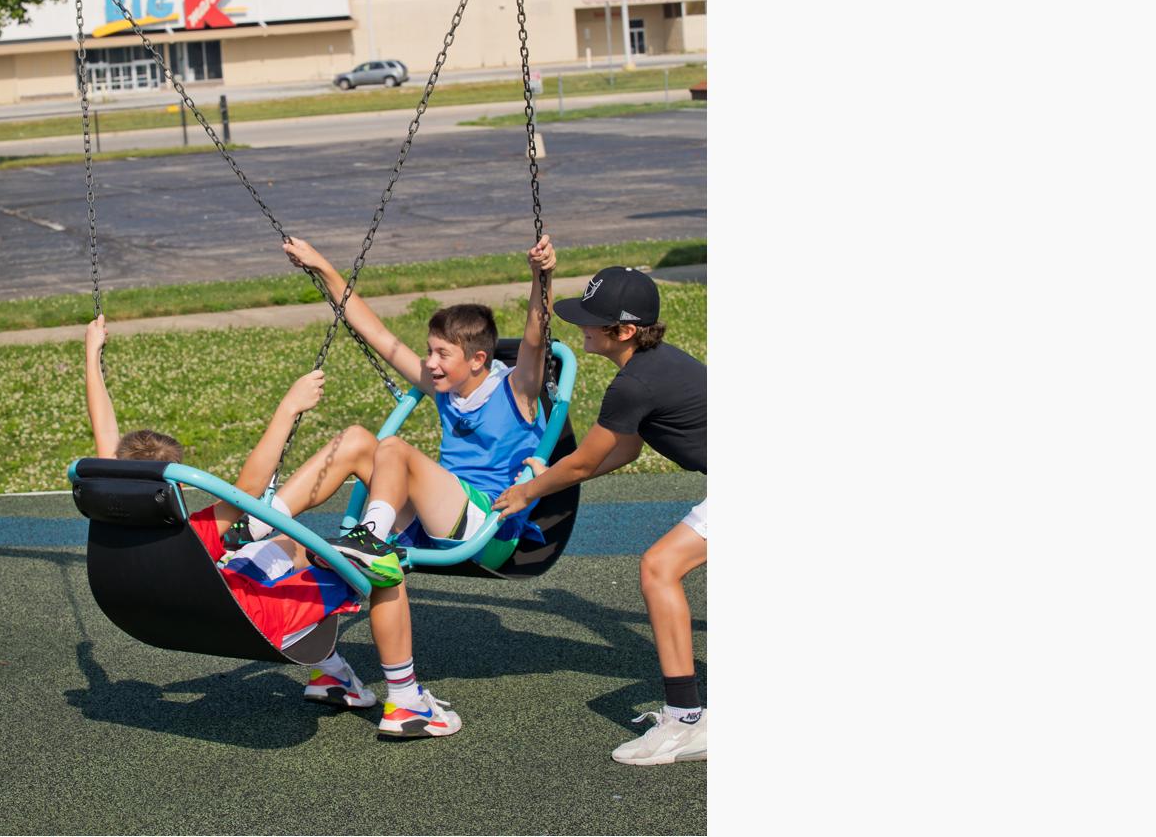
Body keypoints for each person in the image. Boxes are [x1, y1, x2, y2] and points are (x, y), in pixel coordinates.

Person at [82, 316, 461, 738]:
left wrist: (91, 355)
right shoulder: (193, 531)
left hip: (200, 611)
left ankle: (333, 676)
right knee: (382, 568)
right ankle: (407, 703)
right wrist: (289, 406)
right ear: (176, 483)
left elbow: (106, 440)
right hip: (262, 621)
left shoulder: (111, 515)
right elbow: (250, 486)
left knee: (288, 544)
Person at [489, 265, 708, 766]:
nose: (580, 325)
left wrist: (529, 492)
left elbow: (588, 460)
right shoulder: (652, 368)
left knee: (660, 567)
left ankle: (686, 721)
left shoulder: (634, 384)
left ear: (625, 331)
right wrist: (552, 475)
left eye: (592, 319)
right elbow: (622, 452)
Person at [278, 235, 556, 577]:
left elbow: (535, 338)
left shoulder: (517, 390)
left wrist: (542, 276)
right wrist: (321, 265)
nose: (431, 363)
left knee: (394, 447)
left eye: (442, 354)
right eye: (429, 351)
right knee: (355, 439)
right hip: (437, 521)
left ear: (477, 360)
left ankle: (371, 540)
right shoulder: (446, 388)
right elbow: (376, 333)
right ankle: (258, 523)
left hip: (492, 528)